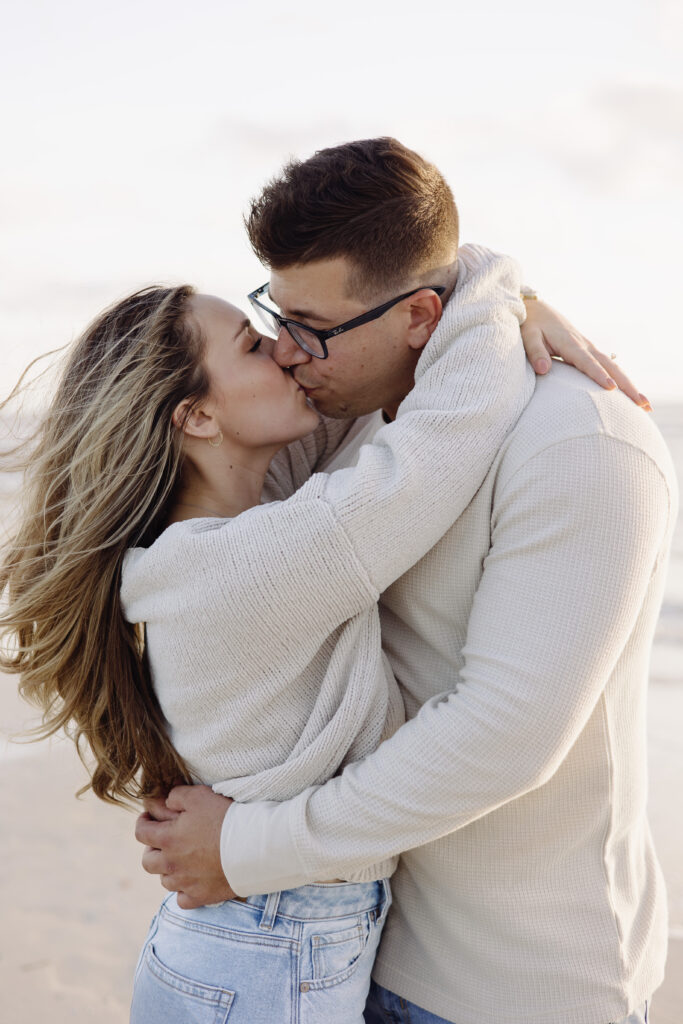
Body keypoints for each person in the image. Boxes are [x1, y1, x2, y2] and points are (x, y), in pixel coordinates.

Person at [1, 230, 612, 1019]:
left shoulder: (219, 529)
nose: (290, 353)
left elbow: (358, 393)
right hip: (270, 949)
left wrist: (494, 309)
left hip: (250, 938)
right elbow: (445, 435)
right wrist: (490, 283)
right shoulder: (257, 564)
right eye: (255, 345)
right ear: (195, 416)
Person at [136, 138, 677, 1024]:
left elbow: (501, 733)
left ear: (422, 315)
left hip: (506, 988)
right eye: (277, 314)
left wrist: (252, 848)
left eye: (310, 328)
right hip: (350, 946)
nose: (285, 351)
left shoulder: (582, 445)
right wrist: (506, 302)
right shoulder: (347, 424)